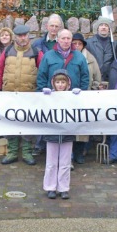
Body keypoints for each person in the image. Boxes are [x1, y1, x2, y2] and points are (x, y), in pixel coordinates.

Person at [0, 25, 43, 166]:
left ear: (29, 36)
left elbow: (43, 71)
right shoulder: (8, 51)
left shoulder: (36, 52)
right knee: (10, 123)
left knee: (28, 124)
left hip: (29, 95)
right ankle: (12, 152)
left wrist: (39, 90)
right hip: (9, 94)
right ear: (15, 36)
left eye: (25, 35)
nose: (22, 38)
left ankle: (27, 152)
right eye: (19, 35)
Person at [42, 69, 81, 200]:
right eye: (57, 82)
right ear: (53, 83)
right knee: (51, 163)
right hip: (51, 133)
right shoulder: (48, 97)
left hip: (67, 134)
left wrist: (79, 97)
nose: (60, 85)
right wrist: (44, 97)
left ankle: (63, 188)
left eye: (62, 82)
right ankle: (50, 187)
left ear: (67, 84)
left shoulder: (72, 97)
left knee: (65, 163)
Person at [32, 13, 64, 156]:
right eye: (52, 25)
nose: (54, 28)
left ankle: (56, 147)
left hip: (61, 85)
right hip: (44, 83)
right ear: (47, 26)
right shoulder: (37, 44)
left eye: (57, 26)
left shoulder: (63, 42)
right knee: (42, 116)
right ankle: (40, 145)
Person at [71, 32, 101, 164]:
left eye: (79, 43)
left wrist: (93, 90)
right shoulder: (67, 57)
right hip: (70, 97)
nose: (77, 46)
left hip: (85, 96)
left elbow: (97, 77)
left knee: (82, 128)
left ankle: (80, 153)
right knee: (70, 127)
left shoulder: (90, 58)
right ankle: (70, 153)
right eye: (75, 43)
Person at [85, 16, 117, 81]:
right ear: (98, 28)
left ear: (109, 29)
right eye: (101, 25)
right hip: (94, 78)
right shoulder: (89, 43)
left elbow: (116, 61)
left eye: (106, 25)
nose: (103, 27)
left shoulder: (114, 44)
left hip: (109, 78)